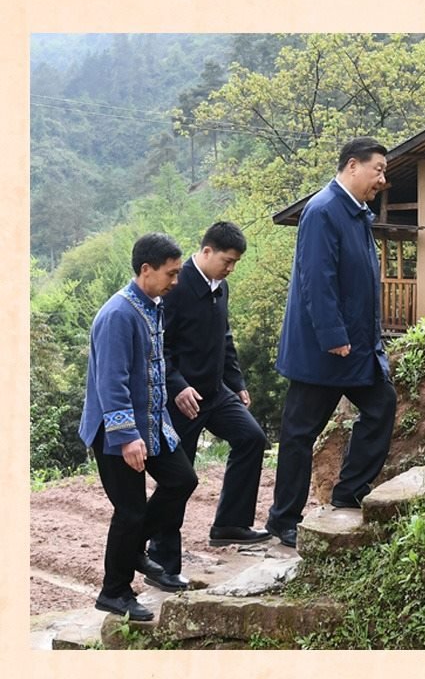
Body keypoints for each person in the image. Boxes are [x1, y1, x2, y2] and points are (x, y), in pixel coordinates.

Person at [265, 137, 397, 548]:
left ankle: (349, 492)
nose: (382, 179)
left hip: (357, 347)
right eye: (378, 169)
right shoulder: (323, 210)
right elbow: (316, 279)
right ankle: (284, 519)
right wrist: (332, 335)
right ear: (353, 166)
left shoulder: (357, 213)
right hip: (324, 351)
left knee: (381, 405)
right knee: (299, 433)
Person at [79, 233, 198, 621]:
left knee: (182, 480)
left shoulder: (153, 305)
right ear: (146, 270)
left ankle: (132, 551)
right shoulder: (118, 314)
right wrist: (127, 436)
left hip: (151, 422)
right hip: (117, 431)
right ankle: (114, 591)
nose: (175, 281)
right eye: (171, 273)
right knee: (129, 512)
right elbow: (111, 381)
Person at [146, 222, 270, 585]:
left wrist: (237, 382)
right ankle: (162, 562)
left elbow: (224, 338)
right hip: (181, 400)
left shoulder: (221, 287)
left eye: (235, 263)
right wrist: (177, 386)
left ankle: (230, 523)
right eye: (227, 261)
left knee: (252, 438)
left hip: (215, 393)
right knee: (178, 480)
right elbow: (159, 347)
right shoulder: (176, 286)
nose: (230, 268)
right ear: (206, 252)